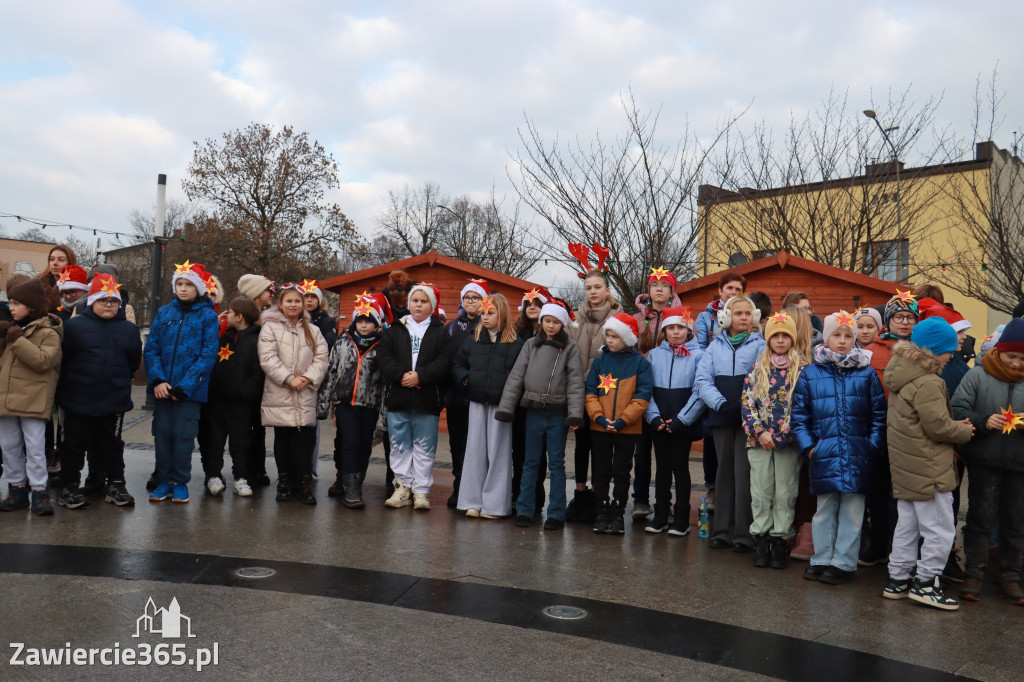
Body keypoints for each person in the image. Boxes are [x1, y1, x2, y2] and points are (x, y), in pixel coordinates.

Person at [882, 318, 973, 609]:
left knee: (907, 525)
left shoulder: (902, 375)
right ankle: (926, 582)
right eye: (948, 349)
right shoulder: (930, 382)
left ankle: (898, 578)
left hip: (907, 464)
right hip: (929, 465)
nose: (951, 355)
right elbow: (937, 427)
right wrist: (964, 430)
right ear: (934, 350)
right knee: (940, 527)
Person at [792, 311, 887, 585]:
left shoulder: (866, 373)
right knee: (825, 510)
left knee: (853, 512)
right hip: (825, 454)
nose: (842, 341)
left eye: (848, 336)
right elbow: (799, 416)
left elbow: (878, 415)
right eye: (837, 335)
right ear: (827, 337)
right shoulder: (811, 373)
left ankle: (843, 562)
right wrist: (810, 447)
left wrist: (871, 446)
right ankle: (822, 558)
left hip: (859, 455)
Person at [951, 317, 1024, 605]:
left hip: (1020, 463)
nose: (1017, 363)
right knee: (980, 517)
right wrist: (983, 420)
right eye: (1011, 356)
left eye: (1022, 357)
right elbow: (957, 408)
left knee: (1016, 521)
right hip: (984, 460)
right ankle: (975, 572)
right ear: (999, 351)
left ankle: (1010, 573)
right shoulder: (977, 375)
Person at [497, 298, 584, 530]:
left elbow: (575, 382)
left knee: (556, 463)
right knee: (530, 462)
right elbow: (516, 377)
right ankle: (525, 508)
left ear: (562, 323)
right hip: (533, 412)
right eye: (547, 320)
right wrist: (506, 407)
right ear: (542, 321)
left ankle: (556, 512)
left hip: (557, 414)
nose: (550, 326)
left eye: (555, 321)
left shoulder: (571, 348)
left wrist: (575, 413)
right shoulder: (530, 345)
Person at [57, 273, 141, 509]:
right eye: (104, 300)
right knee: (74, 444)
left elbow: (134, 361)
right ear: (92, 301)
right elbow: (64, 360)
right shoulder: (73, 327)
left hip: (113, 399)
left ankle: (115, 484)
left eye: (113, 301)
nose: (109, 305)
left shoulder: (129, 330)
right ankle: (69, 487)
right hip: (78, 398)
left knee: (112, 445)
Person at [692, 294, 765, 551]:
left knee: (744, 473)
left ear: (754, 317)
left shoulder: (760, 344)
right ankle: (721, 530)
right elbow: (702, 381)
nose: (744, 317)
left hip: (749, 420)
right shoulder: (714, 347)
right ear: (726, 317)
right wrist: (721, 404)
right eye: (738, 313)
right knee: (724, 473)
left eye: (748, 313)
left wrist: (746, 407)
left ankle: (744, 533)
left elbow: (763, 378)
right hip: (722, 417)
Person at [144, 261, 219, 504]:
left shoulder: (208, 316)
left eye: (188, 284)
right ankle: (164, 479)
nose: (183, 288)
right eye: (179, 283)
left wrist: (185, 387)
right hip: (162, 390)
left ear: (199, 287)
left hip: (189, 393)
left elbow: (207, 355)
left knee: (183, 437)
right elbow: (152, 347)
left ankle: (180, 481)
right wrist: (158, 379)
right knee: (163, 435)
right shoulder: (165, 312)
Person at [376, 284, 454, 511]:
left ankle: (421, 491)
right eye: (415, 300)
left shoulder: (441, 333)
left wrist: (421, 376)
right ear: (409, 303)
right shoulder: (394, 330)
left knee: (424, 447)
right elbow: (384, 358)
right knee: (399, 446)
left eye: (424, 301)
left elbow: (444, 361)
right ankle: (402, 488)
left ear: (433, 305)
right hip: (399, 397)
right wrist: (402, 375)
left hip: (427, 399)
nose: (419, 305)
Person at [859, 291, 920, 567]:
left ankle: (901, 549)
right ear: (888, 320)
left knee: (903, 496)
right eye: (899, 317)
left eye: (910, 317)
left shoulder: (922, 351)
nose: (905, 323)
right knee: (877, 490)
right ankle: (878, 542)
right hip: (876, 431)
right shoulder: (871, 350)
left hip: (908, 434)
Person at [741, 311, 806, 568]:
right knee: (760, 491)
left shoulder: (802, 371)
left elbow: (802, 405)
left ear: (792, 339)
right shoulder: (757, 370)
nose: (780, 340)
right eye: (775, 335)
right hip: (759, 442)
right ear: (768, 339)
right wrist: (760, 432)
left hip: (787, 444)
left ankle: (779, 540)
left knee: (785, 492)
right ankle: (761, 538)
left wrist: (785, 435)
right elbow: (747, 404)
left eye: (785, 336)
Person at [452, 294, 524, 519]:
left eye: (490, 313)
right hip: (477, 402)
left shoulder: (516, 343)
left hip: (502, 406)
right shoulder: (473, 340)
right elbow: (457, 363)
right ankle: (472, 501)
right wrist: (466, 379)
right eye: (483, 313)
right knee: (475, 452)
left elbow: (519, 374)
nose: (485, 317)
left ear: (502, 313)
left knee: (498, 453)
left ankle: (494, 506)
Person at [258, 284, 329, 504]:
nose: (293, 304)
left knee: (305, 440)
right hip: (281, 392)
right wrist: (289, 379)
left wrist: (307, 378)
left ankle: (304, 483)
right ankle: (285, 483)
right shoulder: (270, 328)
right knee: (283, 440)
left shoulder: (313, 330)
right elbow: (268, 358)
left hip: (305, 392)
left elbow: (322, 357)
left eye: (297, 301)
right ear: (280, 304)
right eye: (289, 301)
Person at [585, 313, 654, 535]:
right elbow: (590, 393)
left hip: (627, 429)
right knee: (601, 470)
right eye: (609, 335)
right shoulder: (599, 362)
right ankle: (602, 510)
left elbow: (642, 397)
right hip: (600, 427)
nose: (610, 340)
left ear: (628, 337)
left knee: (622, 472)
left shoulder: (640, 364)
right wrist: (600, 418)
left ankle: (618, 511)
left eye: (616, 336)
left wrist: (624, 419)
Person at [0, 278, 62, 515]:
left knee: (35, 447)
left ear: (32, 305)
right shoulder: (12, 330)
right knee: (9, 446)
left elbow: (43, 361)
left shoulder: (49, 333)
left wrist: (17, 339)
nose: (10, 308)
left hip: (33, 400)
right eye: (10, 303)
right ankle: (16, 489)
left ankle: (39, 491)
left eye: (16, 303)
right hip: (6, 398)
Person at [317, 295, 386, 509]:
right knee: (348, 442)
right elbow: (331, 371)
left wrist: (384, 413)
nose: (364, 325)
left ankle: (357, 481)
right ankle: (350, 489)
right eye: (360, 321)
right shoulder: (343, 342)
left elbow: (385, 383)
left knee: (364, 445)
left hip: (370, 404)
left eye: (369, 321)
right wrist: (324, 402)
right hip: (345, 402)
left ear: (376, 323)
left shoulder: (382, 346)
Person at [567, 269, 624, 522]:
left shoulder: (618, 319)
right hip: (578, 392)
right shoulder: (576, 319)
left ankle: (598, 495)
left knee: (601, 448)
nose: (593, 292)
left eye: (597, 287)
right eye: (588, 288)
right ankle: (580, 495)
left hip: (606, 394)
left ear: (607, 290)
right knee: (582, 445)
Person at [644, 307, 704, 535]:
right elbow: (645, 389)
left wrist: (682, 419)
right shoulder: (654, 355)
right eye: (671, 327)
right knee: (661, 468)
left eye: (680, 327)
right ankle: (660, 515)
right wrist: (653, 416)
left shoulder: (698, 355)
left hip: (682, 422)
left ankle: (681, 518)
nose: (676, 332)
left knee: (680, 468)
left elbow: (700, 391)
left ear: (688, 330)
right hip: (658, 421)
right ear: (664, 330)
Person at [632, 267, 683, 521]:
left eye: (665, 285)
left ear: (672, 291)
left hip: (670, 393)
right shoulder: (637, 319)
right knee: (641, 452)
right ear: (649, 291)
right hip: (641, 392)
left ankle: (666, 502)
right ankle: (640, 500)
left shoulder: (681, 318)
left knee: (669, 456)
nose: (659, 289)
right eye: (654, 285)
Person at [204, 297, 264, 498]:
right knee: (215, 440)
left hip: (241, 403)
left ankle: (241, 477)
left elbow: (258, 372)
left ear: (239, 317)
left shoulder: (256, 340)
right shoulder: (225, 337)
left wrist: (245, 393)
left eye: (229, 312)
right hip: (219, 400)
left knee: (240, 442)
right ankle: (213, 475)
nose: (226, 315)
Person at [444, 279, 488, 507]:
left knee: (477, 444)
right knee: (456, 443)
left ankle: (477, 489)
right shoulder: (452, 327)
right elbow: (445, 359)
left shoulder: (489, 325)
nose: (471, 301)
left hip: (479, 395)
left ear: (483, 302)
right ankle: (459, 485)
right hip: (455, 395)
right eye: (467, 297)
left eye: (476, 297)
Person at [511, 288, 549, 513]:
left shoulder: (550, 334)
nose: (532, 307)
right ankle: (517, 493)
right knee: (519, 450)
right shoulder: (517, 333)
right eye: (528, 303)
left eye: (537, 303)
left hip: (541, 402)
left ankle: (536, 495)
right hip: (519, 402)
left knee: (538, 452)